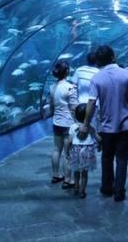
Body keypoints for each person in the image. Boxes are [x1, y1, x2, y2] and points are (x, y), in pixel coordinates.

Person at [78, 45, 128, 202]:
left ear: (98, 61)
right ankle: (119, 191)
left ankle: (107, 188)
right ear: (113, 57)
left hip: (106, 126)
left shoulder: (97, 78)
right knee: (121, 159)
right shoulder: (126, 75)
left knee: (107, 158)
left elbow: (91, 103)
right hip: (125, 125)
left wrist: (85, 123)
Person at [47, 60, 78, 189]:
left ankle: (55, 175)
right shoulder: (70, 87)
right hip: (68, 123)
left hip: (57, 122)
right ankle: (68, 179)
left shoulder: (52, 87)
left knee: (56, 149)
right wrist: (78, 122)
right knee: (68, 152)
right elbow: (73, 108)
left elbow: (51, 106)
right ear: (67, 72)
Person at [66, 103, 101, 199]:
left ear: (76, 116)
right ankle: (82, 191)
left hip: (76, 151)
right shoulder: (90, 127)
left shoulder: (73, 127)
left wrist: (67, 152)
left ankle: (76, 187)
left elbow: (69, 141)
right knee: (84, 173)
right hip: (88, 151)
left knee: (76, 171)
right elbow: (98, 138)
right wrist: (100, 144)